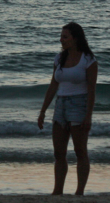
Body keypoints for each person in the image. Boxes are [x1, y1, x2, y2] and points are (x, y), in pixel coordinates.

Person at [37, 22, 97, 196]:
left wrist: (88, 116)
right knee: (59, 152)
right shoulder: (59, 58)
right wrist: (42, 111)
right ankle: (58, 191)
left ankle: (79, 192)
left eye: (65, 36)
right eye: (61, 36)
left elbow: (92, 90)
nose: (61, 39)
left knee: (80, 151)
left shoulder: (89, 60)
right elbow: (53, 86)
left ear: (75, 38)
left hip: (79, 104)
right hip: (60, 105)